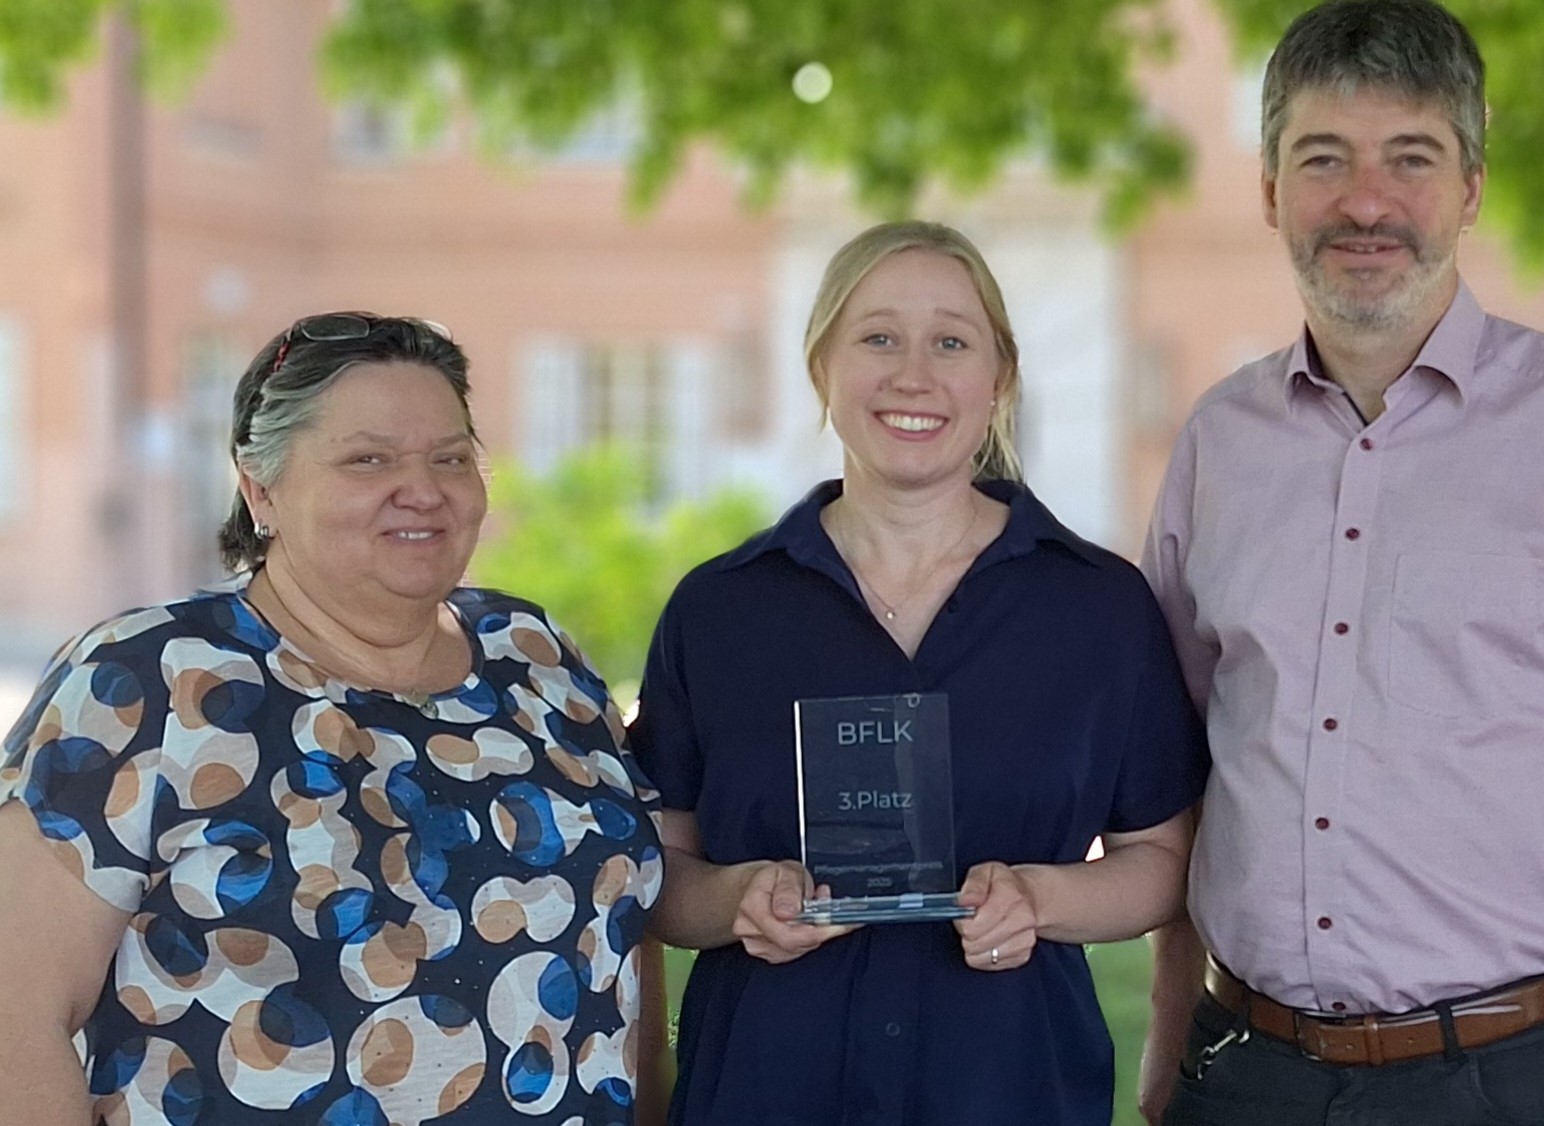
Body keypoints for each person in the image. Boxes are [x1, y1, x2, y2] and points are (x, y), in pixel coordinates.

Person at [1135, 2, 1544, 1124]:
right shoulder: (1215, 443)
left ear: (1470, 186)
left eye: (1411, 159)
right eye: (1324, 159)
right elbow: (1180, 770)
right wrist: (1166, 1034)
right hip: (1242, 1072)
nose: (1366, 203)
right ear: (1270, 190)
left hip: (1508, 1080)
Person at [0, 314, 665, 1125]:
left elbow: (630, 942)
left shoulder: (536, 657)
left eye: (451, 457)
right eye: (368, 459)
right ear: (261, 489)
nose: (423, 489)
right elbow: (15, 1014)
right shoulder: (149, 679)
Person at [628, 220, 1209, 1125]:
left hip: (1009, 1087)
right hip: (766, 1090)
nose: (914, 374)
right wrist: (737, 902)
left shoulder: (1097, 610)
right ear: (822, 367)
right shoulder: (721, 613)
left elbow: (1163, 863)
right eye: (878, 338)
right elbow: (658, 870)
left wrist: (1043, 898)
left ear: (999, 380)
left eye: (950, 341)